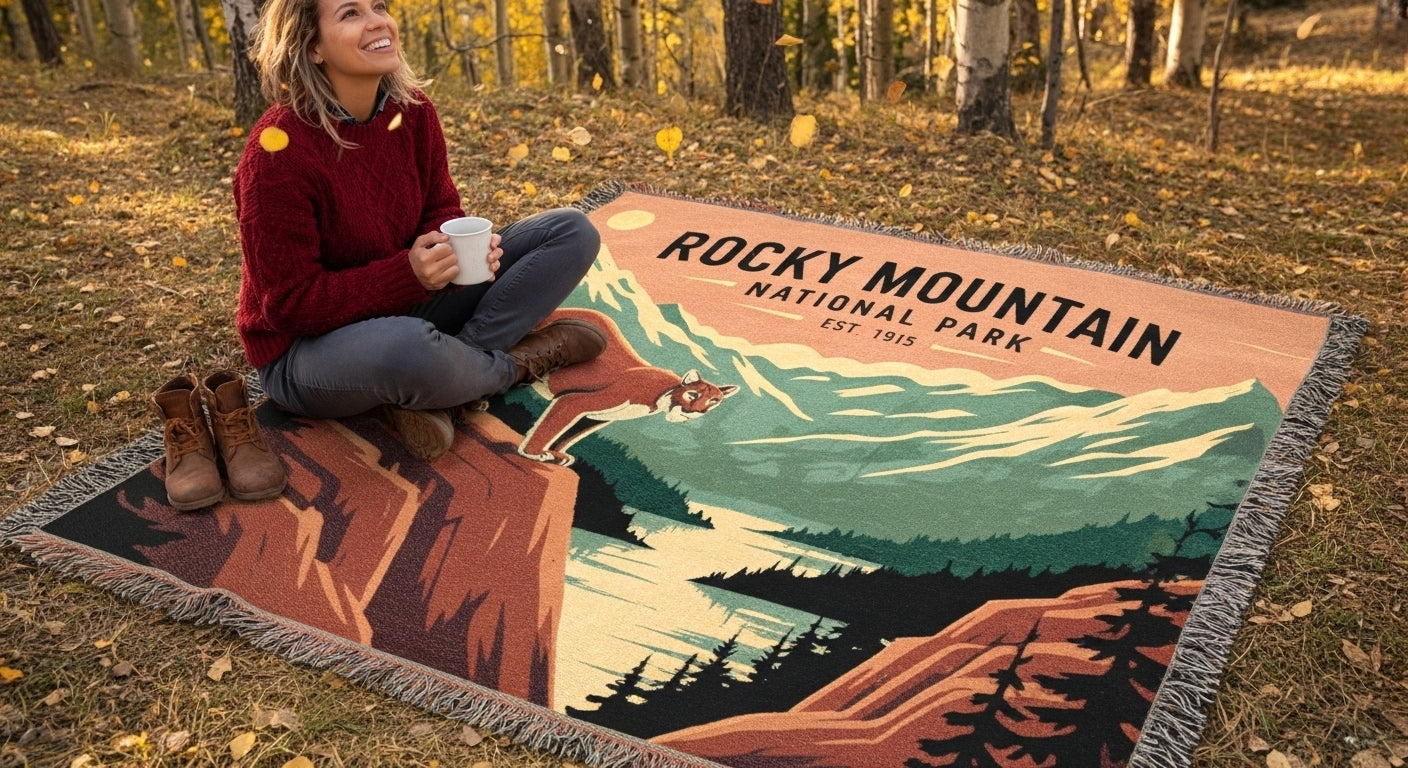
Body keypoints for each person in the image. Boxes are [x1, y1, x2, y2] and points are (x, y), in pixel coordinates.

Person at [233, 0, 606, 460]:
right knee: (405, 347)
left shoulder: (411, 112)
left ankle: (445, 382)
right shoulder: (278, 151)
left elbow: (440, 207)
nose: (377, 22)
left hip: (412, 303)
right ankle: (507, 366)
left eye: (379, 6)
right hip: (307, 353)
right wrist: (408, 276)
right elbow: (287, 307)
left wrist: (456, 256)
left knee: (570, 231)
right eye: (350, 14)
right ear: (312, 47)